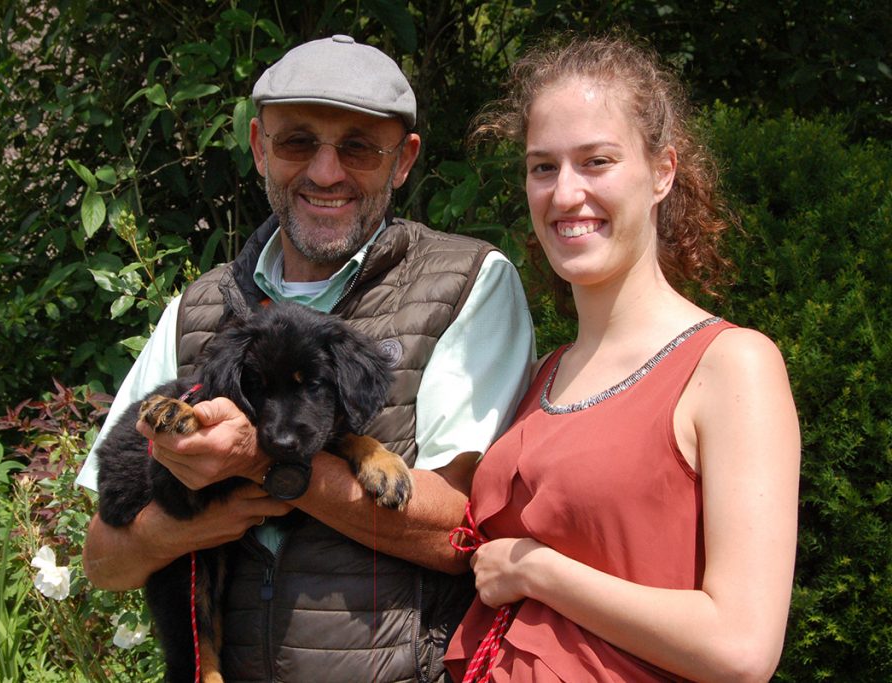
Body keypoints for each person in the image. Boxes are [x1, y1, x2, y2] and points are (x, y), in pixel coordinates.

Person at [76, 35, 535, 681]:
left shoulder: (465, 284)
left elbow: (463, 534)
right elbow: (103, 561)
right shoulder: (197, 307)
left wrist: (263, 461)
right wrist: (174, 529)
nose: (325, 172)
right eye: (297, 142)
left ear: (404, 160)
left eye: (358, 147)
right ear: (259, 147)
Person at [444, 35, 801, 683]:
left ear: (662, 171)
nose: (565, 193)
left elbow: (741, 648)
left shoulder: (732, 366)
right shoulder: (547, 371)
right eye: (543, 167)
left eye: (596, 162)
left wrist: (535, 570)